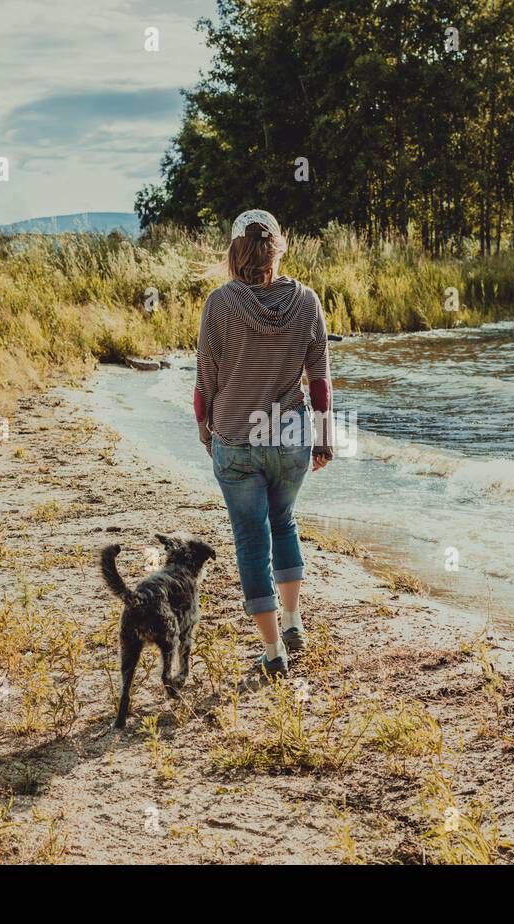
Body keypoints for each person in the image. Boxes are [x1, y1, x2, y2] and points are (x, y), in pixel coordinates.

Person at [193, 209, 333, 678]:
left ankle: (274, 653)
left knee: (252, 539)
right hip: (291, 433)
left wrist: (203, 426)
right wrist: (325, 438)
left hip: (236, 436)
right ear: (279, 248)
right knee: (284, 521)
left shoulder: (219, 303)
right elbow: (320, 379)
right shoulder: (307, 300)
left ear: (234, 251)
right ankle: (293, 623)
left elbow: (205, 379)